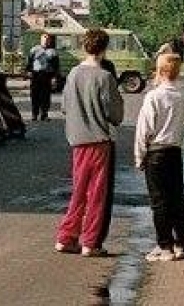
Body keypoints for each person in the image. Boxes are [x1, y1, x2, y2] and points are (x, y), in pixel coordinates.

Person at [54, 28, 124, 258]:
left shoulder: (73, 74)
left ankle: (66, 237)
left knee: (79, 191)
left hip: (77, 140)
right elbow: (116, 114)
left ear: (84, 47)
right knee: (96, 194)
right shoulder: (105, 77)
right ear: (104, 49)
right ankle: (91, 241)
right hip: (99, 140)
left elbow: (64, 106)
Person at [134, 52, 184, 261]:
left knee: (159, 201)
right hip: (175, 150)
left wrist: (139, 157)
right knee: (177, 198)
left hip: (156, 152)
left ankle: (164, 245)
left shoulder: (154, 96)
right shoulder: (182, 95)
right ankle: (182, 243)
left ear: (159, 70)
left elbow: (144, 129)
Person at [26, 34, 61, 122]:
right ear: (40, 40)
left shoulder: (53, 52)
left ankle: (44, 115)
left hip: (47, 75)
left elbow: (56, 66)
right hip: (36, 75)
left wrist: (54, 77)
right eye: (44, 39)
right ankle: (34, 114)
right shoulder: (34, 49)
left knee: (45, 96)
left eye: (47, 39)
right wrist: (29, 71)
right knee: (35, 95)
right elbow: (29, 62)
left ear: (49, 41)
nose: (45, 41)